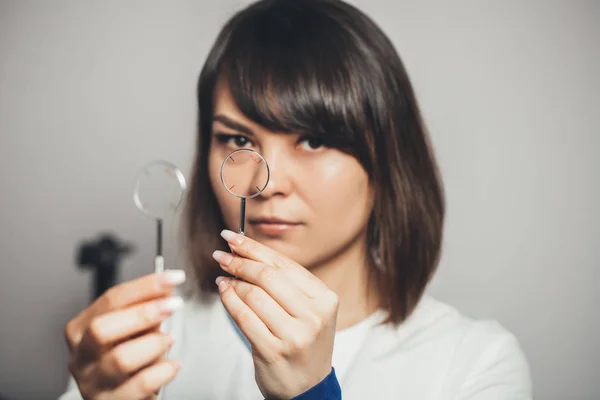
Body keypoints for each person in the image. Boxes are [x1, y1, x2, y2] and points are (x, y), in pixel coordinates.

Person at [59, 0, 532, 399]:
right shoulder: (147, 345)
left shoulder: (474, 364)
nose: (266, 183)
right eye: (239, 140)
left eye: (312, 141)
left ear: (388, 157)